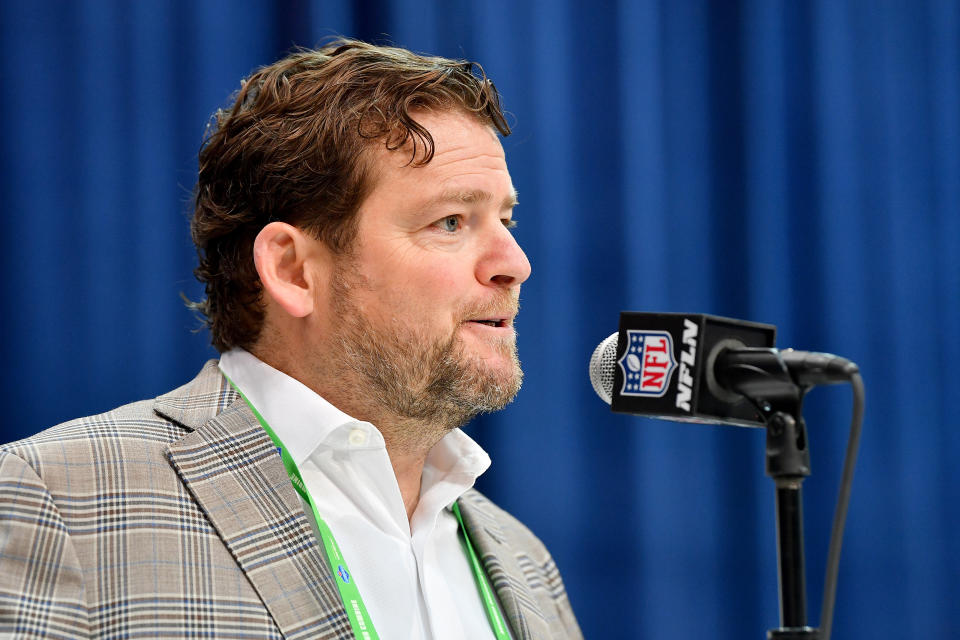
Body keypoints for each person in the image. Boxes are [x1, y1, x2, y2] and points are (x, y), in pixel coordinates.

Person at [0, 39, 582, 639]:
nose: (515, 262)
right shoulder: (58, 501)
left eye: (506, 220)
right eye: (451, 222)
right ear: (293, 270)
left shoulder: (524, 563)